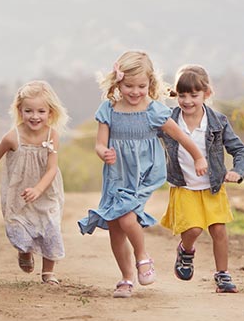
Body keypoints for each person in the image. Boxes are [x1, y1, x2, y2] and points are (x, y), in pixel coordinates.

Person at [77, 50, 208, 298]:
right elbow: (99, 143)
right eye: (129, 86)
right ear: (118, 83)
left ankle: (142, 257)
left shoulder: (153, 111)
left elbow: (180, 135)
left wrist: (198, 156)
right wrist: (103, 152)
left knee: (127, 218)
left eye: (141, 86)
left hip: (143, 174)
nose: (135, 92)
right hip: (116, 175)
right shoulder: (109, 109)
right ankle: (126, 278)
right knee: (116, 228)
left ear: (150, 84)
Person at [0, 81, 69, 285]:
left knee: (50, 228)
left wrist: (39, 189)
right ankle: (24, 250)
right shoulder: (13, 137)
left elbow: (51, 169)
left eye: (41, 111)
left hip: (46, 191)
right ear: (20, 111)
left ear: (50, 112)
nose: (35, 116)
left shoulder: (52, 136)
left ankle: (48, 272)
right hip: (18, 192)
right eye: (28, 110)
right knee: (18, 227)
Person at [160, 65, 244, 293]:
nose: (187, 101)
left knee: (218, 230)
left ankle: (222, 274)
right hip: (184, 186)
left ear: (206, 94)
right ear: (175, 94)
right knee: (193, 229)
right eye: (182, 95)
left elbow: (239, 150)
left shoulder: (217, 122)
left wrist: (237, 171)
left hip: (213, 186)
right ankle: (186, 250)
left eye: (194, 95)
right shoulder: (168, 121)